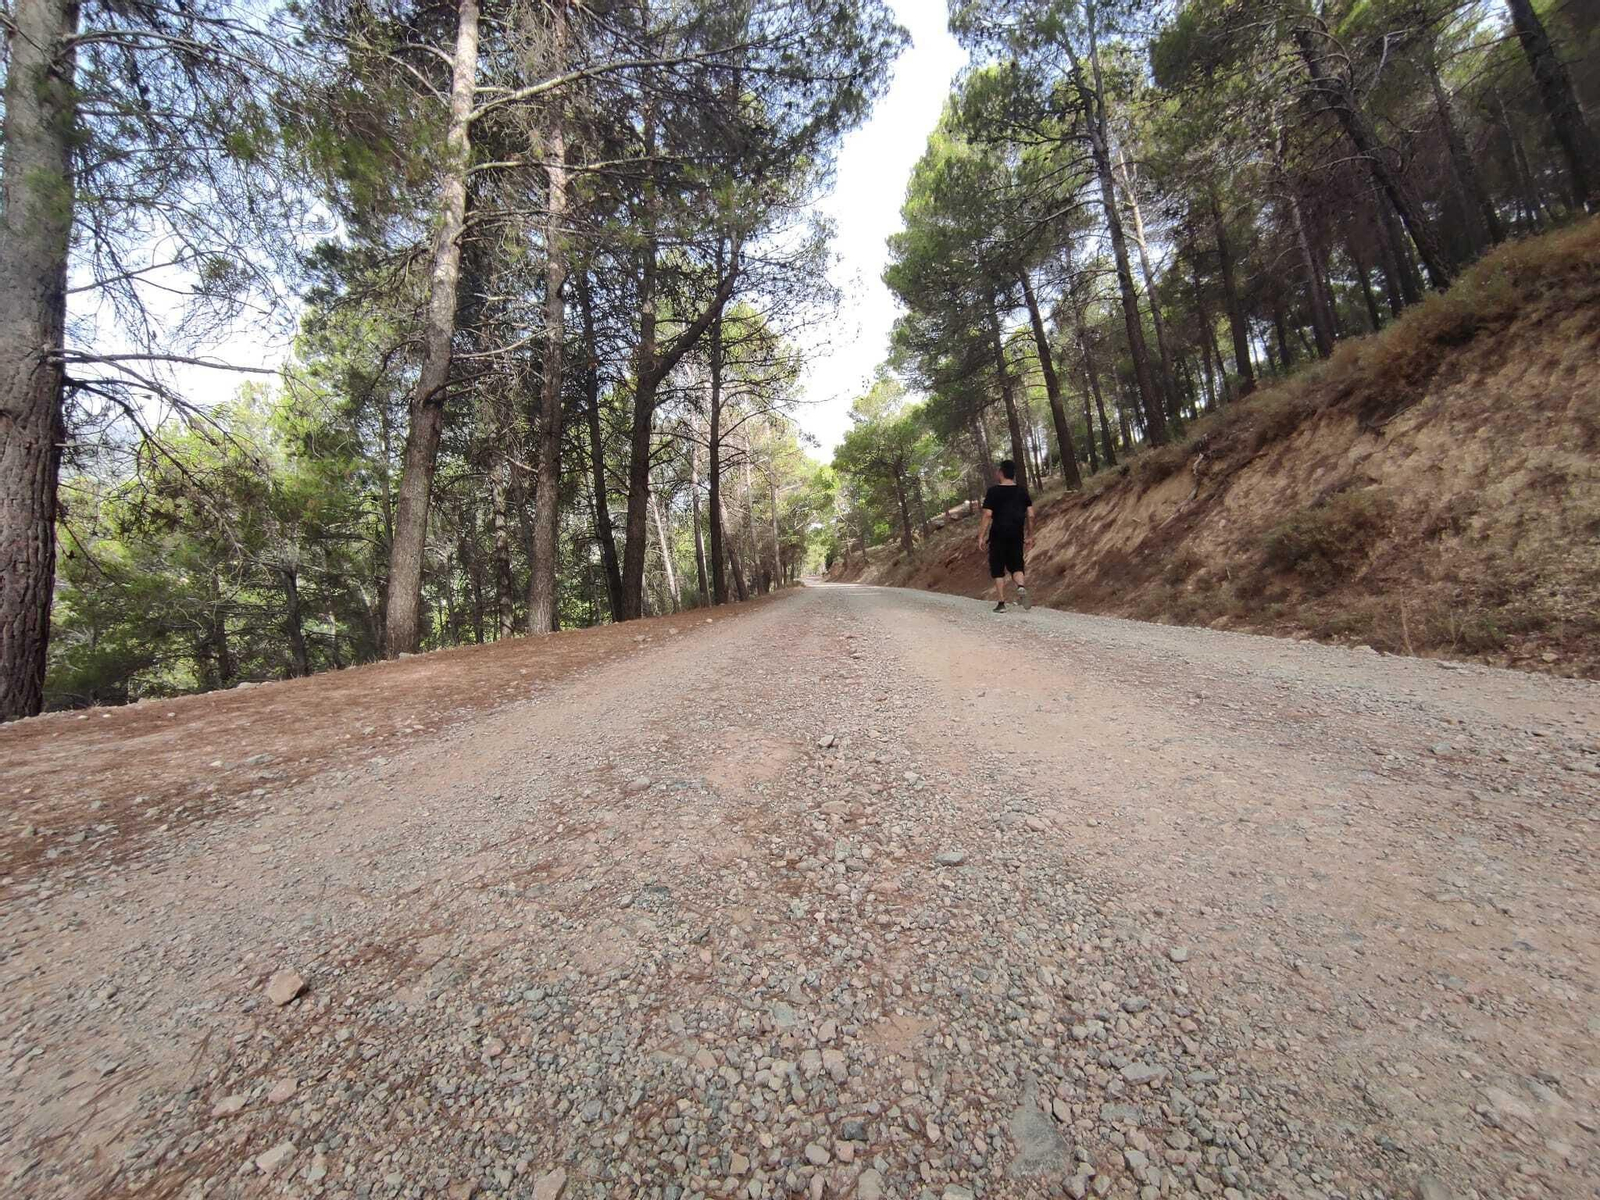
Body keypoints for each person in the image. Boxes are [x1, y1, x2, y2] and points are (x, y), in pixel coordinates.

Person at [978, 459, 1034, 612]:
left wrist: (981, 536)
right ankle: (1021, 587)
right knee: (1016, 565)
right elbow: (1031, 514)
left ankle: (1001, 603)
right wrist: (1030, 535)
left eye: (998, 471)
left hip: (998, 535)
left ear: (1001, 473)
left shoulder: (993, 492)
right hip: (1016, 534)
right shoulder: (1022, 491)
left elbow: (987, 515)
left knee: (998, 568)